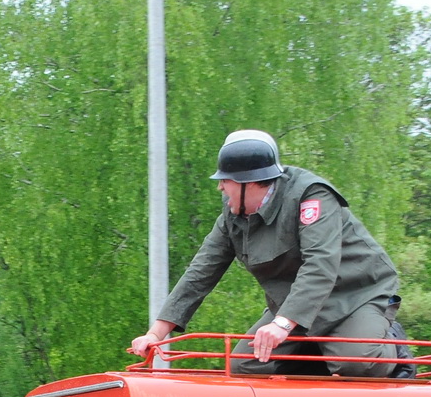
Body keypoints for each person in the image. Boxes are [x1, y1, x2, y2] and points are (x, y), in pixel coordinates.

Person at [129, 129, 404, 377]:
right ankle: (319, 362)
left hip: (355, 297)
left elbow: (320, 265)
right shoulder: (233, 215)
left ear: (250, 182)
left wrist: (282, 325)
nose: (220, 187)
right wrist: (156, 333)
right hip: (294, 306)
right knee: (244, 365)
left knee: (357, 364)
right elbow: (200, 273)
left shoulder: (312, 196)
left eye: (225, 180)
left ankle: (390, 343)